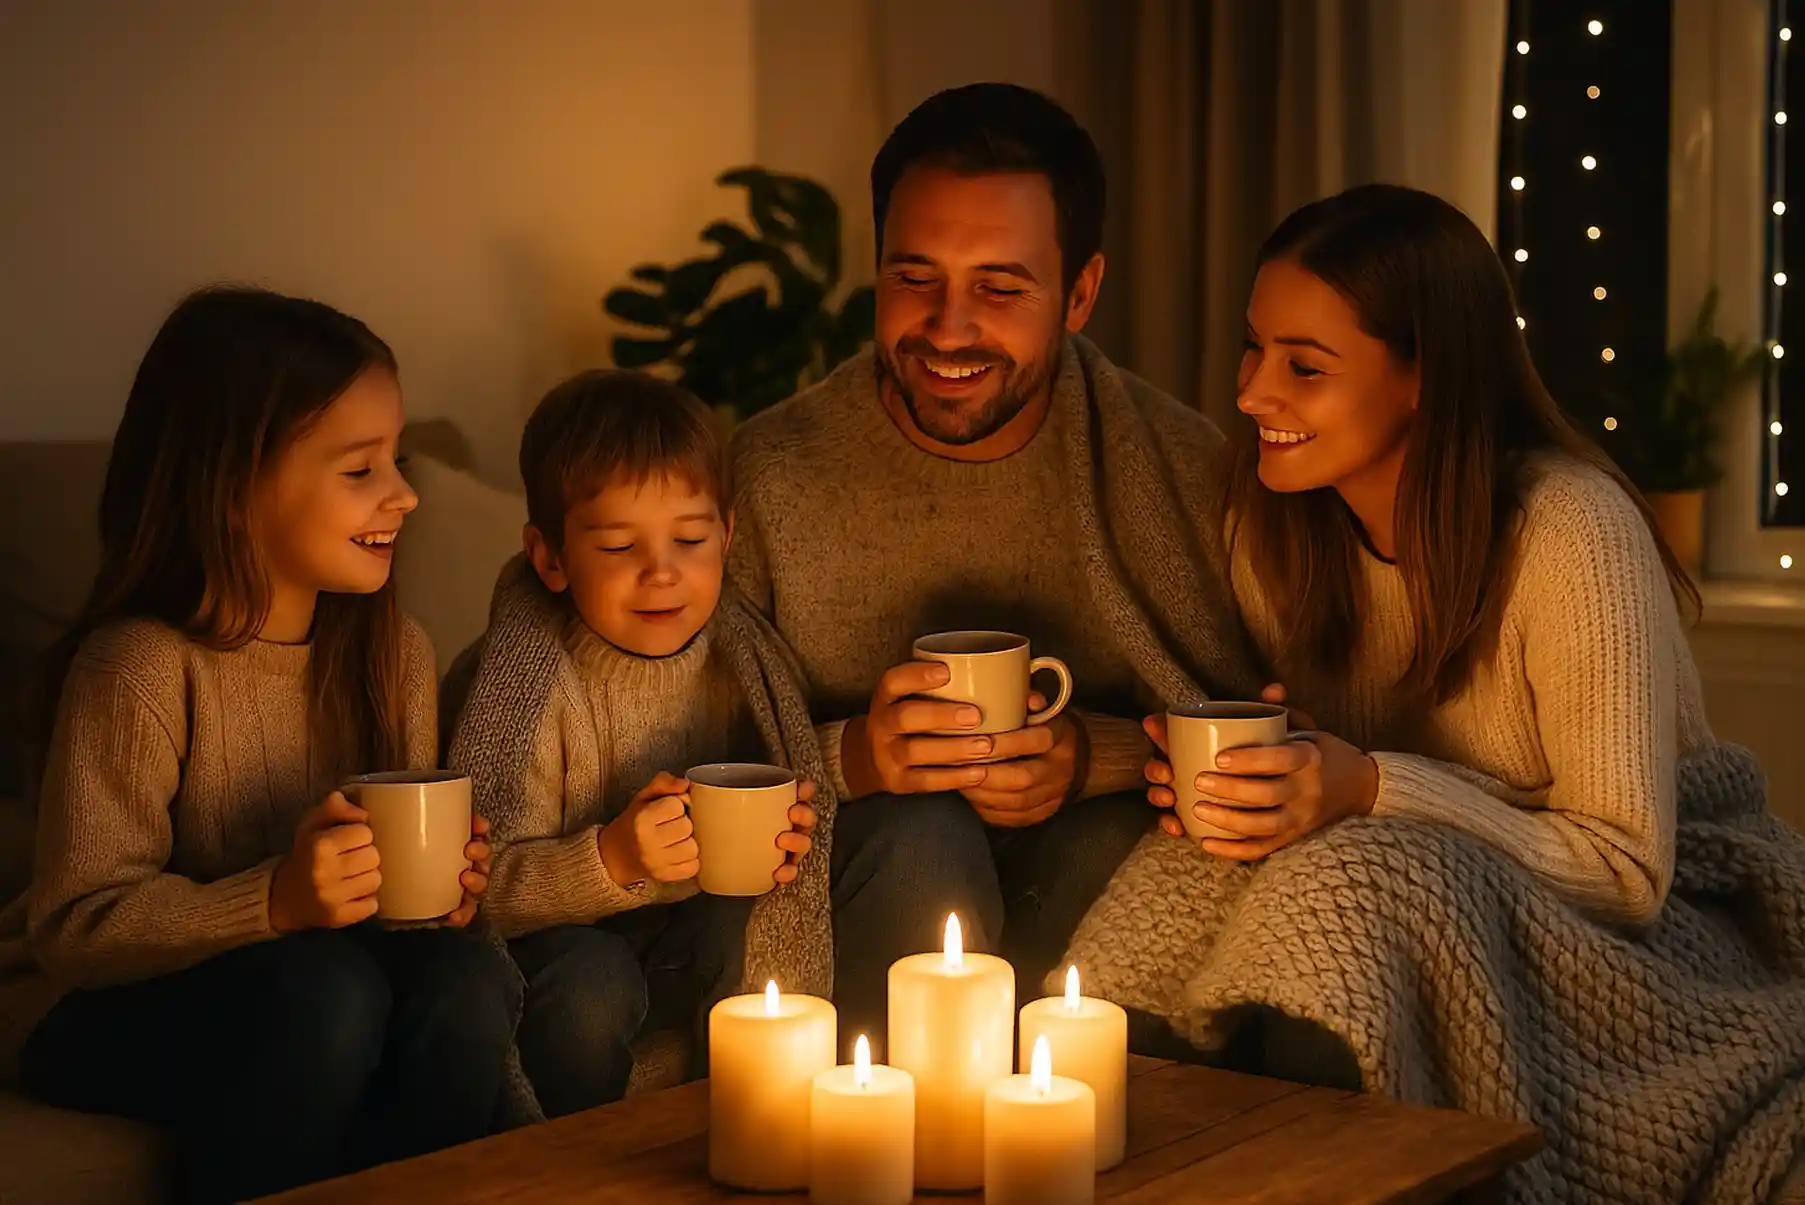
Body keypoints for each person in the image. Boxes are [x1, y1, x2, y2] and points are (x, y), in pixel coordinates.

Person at [728, 82, 1262, 1044]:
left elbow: (1265, 728)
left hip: (1095, 863)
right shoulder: (766, 474)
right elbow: (680, 740)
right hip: (869, 871)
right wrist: (856, 756)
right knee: (917, 831)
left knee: (1135, 847)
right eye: (915, 276)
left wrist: (1083, 758)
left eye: (1001, 288)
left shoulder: (1186, 471)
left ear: (1081, 292)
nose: (946, 326)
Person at [0, 286, 518, 1204]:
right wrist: (274, 899)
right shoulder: (140, 669)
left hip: (315, 981)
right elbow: (77, 926)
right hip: (99, 1003)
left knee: (462, 978)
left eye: (396, 459)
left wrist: (438, 889)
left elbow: (398, 922)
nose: (405, 493)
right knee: (324, 993)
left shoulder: (393, 654)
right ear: (233, 487)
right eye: (360, 470)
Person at [1142, 182, 1708, 930]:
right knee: (1175, 873)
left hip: (1657, 926)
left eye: (1304, 368)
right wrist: (1289, 771)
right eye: (1253, 347)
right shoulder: (1265, 523)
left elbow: (1625, 875)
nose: (1250, 395)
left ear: (1424, 377)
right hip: (1416, 903)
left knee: (1346, 898)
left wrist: (1372, 787)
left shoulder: (1571, 531)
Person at [442, 370, 826, 1117]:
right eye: (620, 546)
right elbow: (474, 889)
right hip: (553, 948)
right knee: (593, 981)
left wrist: (796, 820)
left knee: (747, 930)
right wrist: (610, 860)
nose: (662, 571)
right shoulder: (519, 684)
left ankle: (757, 1131)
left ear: (728, 536)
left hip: (683, 931)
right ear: (549, 557)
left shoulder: (745, 658)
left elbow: (797, 758)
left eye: (690, 539)